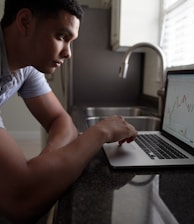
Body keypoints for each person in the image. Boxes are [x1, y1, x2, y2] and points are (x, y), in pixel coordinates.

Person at [0, 0, 137, 223]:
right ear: (25, 22)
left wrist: (46, 163)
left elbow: (60, 120)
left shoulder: (26, 67)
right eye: (62, 37)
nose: (68, 53)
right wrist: (100, 132)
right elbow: (20, 201)